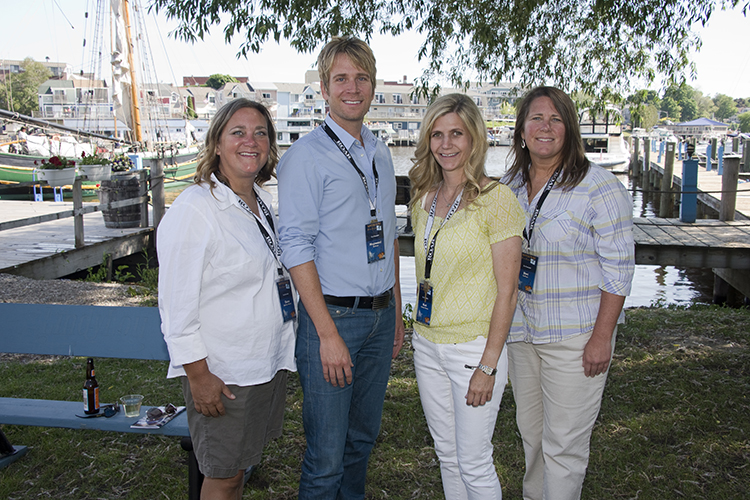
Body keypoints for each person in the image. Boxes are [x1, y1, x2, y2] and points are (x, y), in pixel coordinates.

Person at [277, 36, 405, 499]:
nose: (353, 87)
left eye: (362, 77)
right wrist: (327, 333)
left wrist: (395, 309)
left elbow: (388, 231)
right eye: (342, 78)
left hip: (379, 315)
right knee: (326, 459)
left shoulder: (380, 151)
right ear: (325, 89)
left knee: (361, 445)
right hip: (332, 319)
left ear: (373, 85)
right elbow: (295, 247)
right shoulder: (305, 158)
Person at [157, 98, 296, 500]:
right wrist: (199, 378)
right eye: (238, 132)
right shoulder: (196, 208)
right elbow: (175, 307)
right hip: (224, 372)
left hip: (262, 364)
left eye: (260, 133)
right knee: (223, 475)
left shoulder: (260, 203)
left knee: (239, 469)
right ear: (217, 143)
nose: (250, 141)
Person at [502, 86, 635, 500]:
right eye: (536, 118)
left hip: (576, 337)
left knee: (565, 446)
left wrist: (601, 338)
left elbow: (619, 270)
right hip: (522, 334)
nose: (545, 127)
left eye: (556, 119)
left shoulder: (599, 187)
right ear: (522, 129)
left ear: (570, 129)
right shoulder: (507, 187)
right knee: (533, 437)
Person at [408, 93, 525, 499]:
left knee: (474, 460)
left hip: (473, 349)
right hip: (426, 344)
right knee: (447, 453)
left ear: (474, 138)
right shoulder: (423, 198)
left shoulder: (498, 201)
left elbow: (508, 292)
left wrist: (488, 365)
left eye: (456, 133)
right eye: (437, 134)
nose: (446, 144)